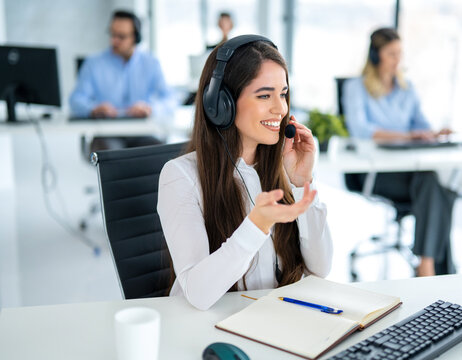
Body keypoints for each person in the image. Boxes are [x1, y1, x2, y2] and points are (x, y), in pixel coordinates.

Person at [157, 35, 332, 310]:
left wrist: (301, 182)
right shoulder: (180, 177)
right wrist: (256, 225)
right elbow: (199, 295)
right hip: (208, 330)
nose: (281, 108)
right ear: (220, 104)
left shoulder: (282, 169)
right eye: (264, 95)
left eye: (283, 93)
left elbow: (321, 267)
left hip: (271, 322)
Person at [342, 27, 456, 276]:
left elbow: (421, 125)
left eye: (399, 53)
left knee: (436, 187)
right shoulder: (355, 88)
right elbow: (361, 129)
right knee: (440, 191)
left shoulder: (407, 88)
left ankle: (427, 265)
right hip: (374, 173)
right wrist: (406, 135)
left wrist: (434, 133)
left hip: (408, 172)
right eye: (391, 54)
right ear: (376, 56)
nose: (398, 60)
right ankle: (434, 268)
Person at [69, 10, 175, 150]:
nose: (114, 40)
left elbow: (170, 99)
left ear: (135, 38)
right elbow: (76, 99)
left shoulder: (151, 63)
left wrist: (150, 108)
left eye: (121, 36)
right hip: (106, 134)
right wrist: (93, 109)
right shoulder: (93, 63)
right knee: (111, 155)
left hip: (142, 133)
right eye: (112, 34)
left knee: (161, 153)